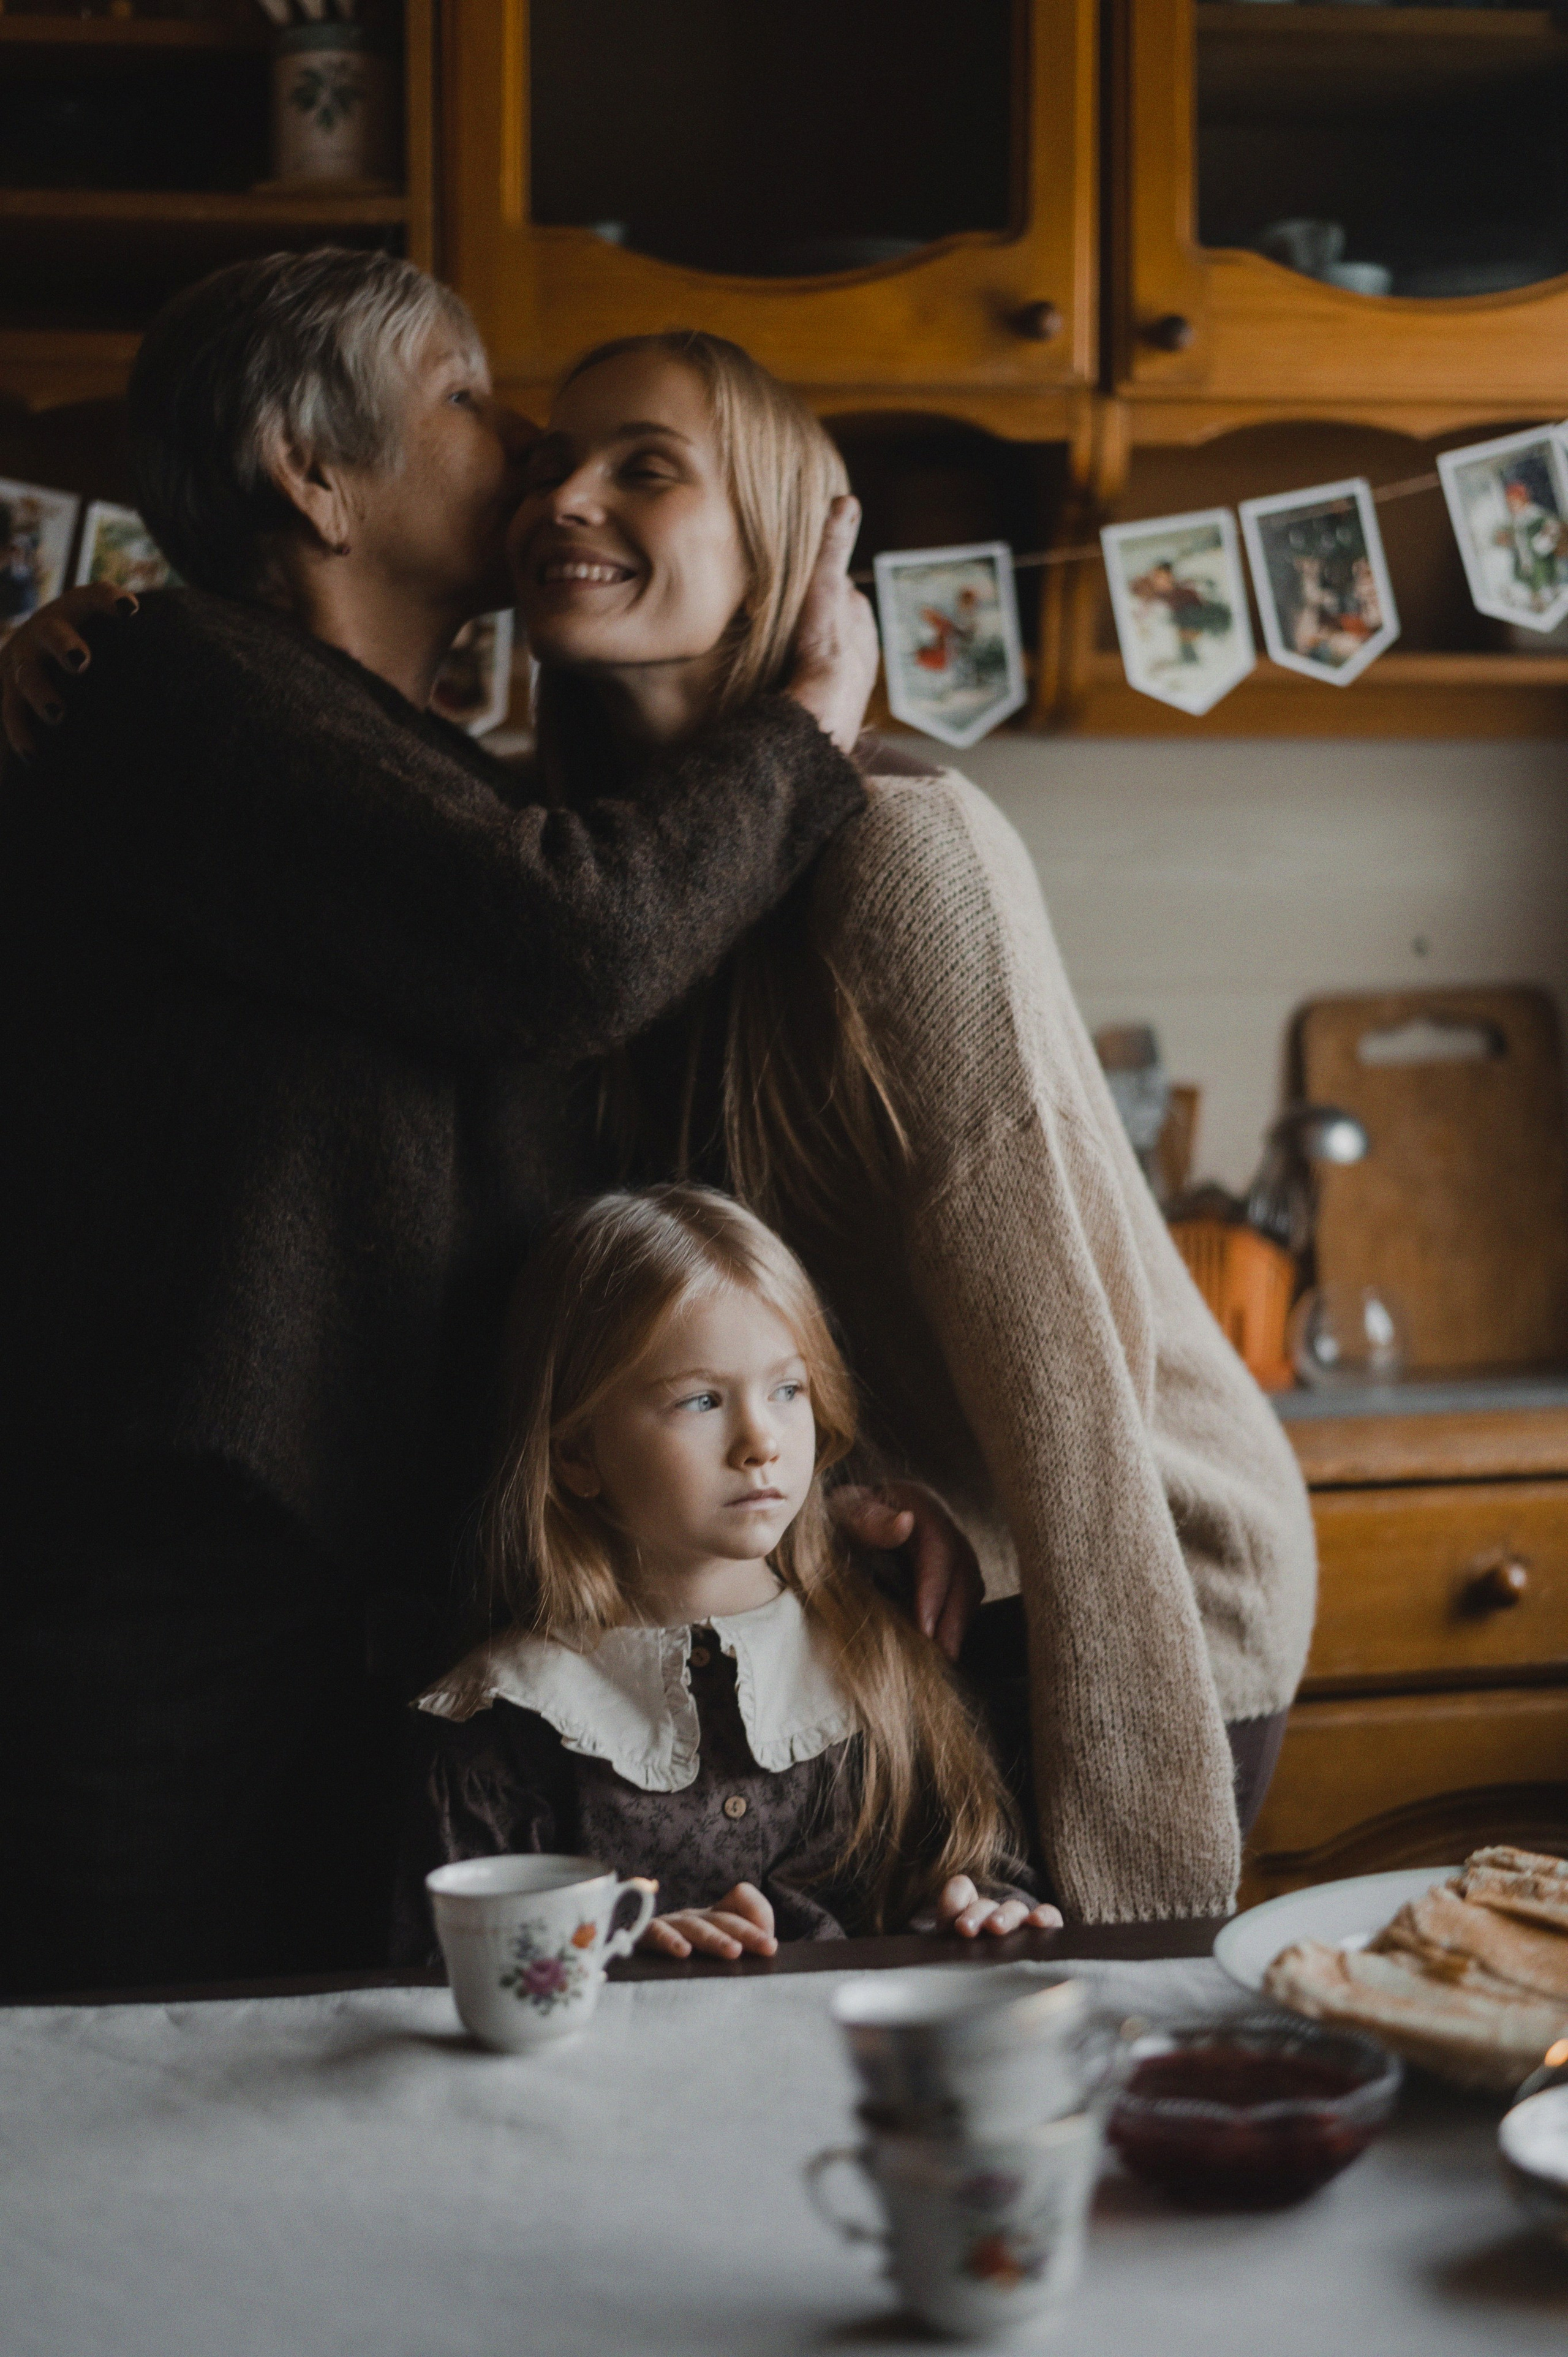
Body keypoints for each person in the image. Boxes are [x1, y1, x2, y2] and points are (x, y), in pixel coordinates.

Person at [0, 252, 951, 1995]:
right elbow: (579, 941)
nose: (521, 444)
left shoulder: (386, 758)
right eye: (464, 396)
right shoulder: (184, 687)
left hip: (334, 1610)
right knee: (153, 2094)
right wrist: (810, 723)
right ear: (312, 473)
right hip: (180, 1629)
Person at [505, 330, 1319, 1923]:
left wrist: (1140, 1896)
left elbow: (1061, 1377)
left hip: (1133, 1587)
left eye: (643, 467)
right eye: (545, 462)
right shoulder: (600, 875)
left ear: (776, 551)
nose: (565, 497)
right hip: (909, 1578)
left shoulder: (902, 858)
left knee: (1037, 2036)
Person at [398, 1185, 1061, 1959]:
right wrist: (617, 1954)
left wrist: (977, 1908)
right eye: (701, 1399)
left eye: (787, 1390)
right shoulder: (509, 1723)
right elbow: (450, 1972)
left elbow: (976, 1858)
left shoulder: (877, 1651)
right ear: (577, 1452)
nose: (761, 1441)